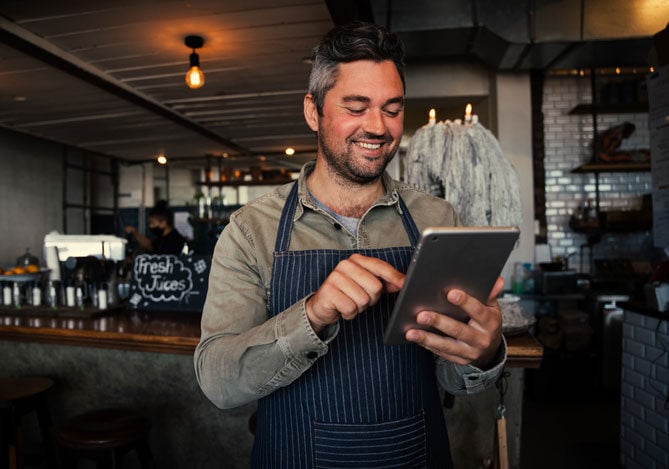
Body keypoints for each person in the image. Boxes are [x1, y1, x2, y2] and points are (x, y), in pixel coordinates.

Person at [195, 22, 506, 468]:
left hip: (415, 456)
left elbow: (456, 380)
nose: (378, 126)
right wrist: (313, 314)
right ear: (313, 110)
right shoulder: (251, 232)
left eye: (392, 108)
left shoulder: (438, 220)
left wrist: (483, 352)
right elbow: (218, 382)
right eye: (356, 107)